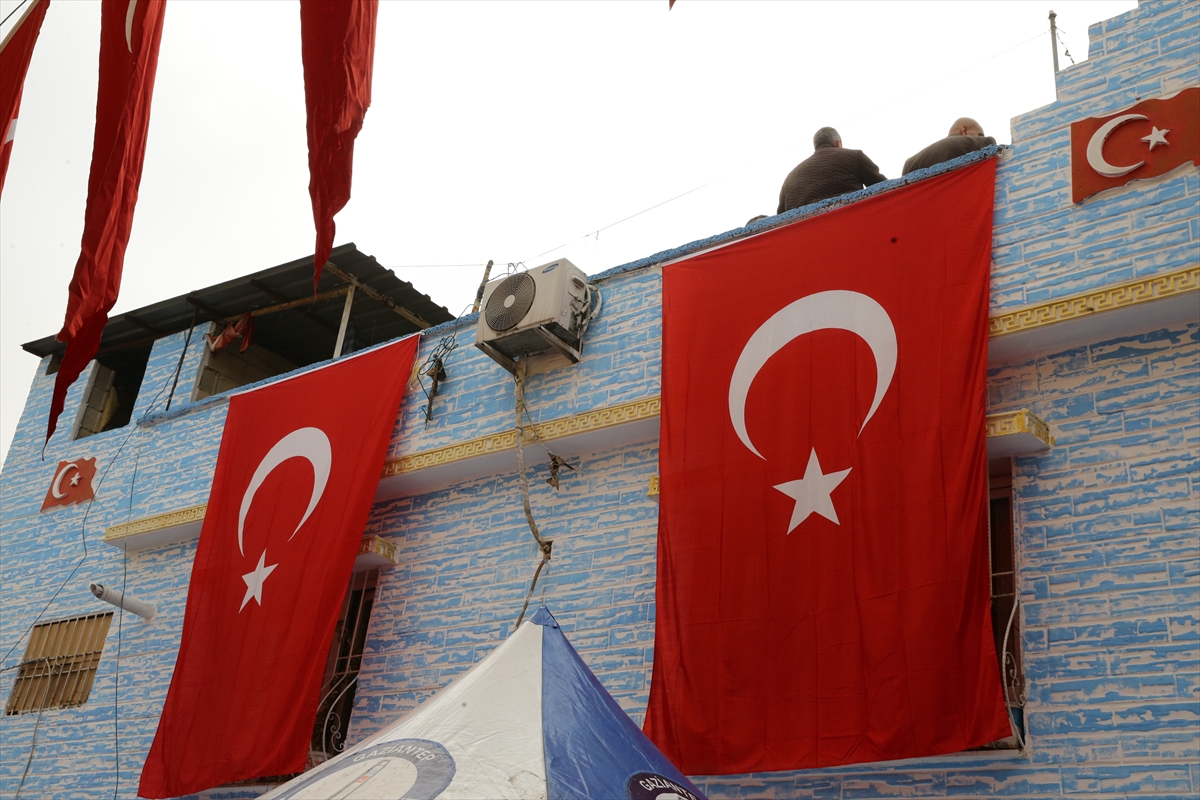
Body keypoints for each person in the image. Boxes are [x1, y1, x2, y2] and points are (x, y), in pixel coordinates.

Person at [777, 127, 887, 214]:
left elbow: (779, 219)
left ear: (816, 147)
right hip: (850, 224)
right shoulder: (854, 156)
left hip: (806, 234)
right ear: (838, 143)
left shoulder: (790, 178)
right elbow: (885, 187)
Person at [902, 117, 997, 175]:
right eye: (979, 135)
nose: (980, 138)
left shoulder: (909, 163)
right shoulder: (980, 143)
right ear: (964, 130)